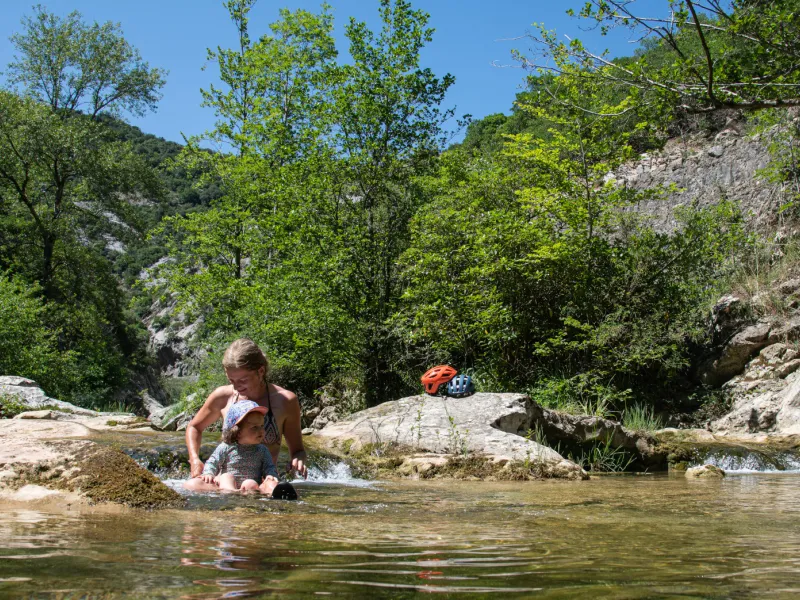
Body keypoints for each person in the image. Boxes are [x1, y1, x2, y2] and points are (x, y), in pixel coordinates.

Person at [184, 338, 309, 492]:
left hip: (260, 483)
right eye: (231, 380)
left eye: (243, 380)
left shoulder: (285, 401)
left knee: (273, 488)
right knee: (191, 485)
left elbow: (298, 450)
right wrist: (195, 459)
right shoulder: (222, 396)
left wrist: (298, 460)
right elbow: (194, 426)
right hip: (225, 484)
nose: (236, 386)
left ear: (260, 371)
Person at [184, 400, 279, 493]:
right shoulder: (226, 447)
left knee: (257, 483)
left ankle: (243, 493)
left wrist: (270, 475)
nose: (261, 431)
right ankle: (232, 492)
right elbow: (213, 462)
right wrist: (209, 474)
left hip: (251, 486)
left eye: (262, 426)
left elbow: (269, 466)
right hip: (227, 484)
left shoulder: (262, 450)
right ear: (237, 432)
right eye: (255, 427)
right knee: (221, 478)